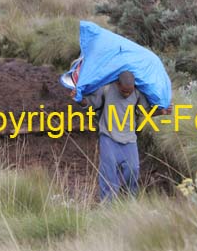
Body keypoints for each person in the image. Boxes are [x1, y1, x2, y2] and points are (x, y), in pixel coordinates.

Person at [70, 71, 171, 202]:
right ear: (118, 84)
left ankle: (130, 203)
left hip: (129, 138)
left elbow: (145, 112)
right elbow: (90, 103)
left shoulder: (137, 93)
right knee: (108, 173)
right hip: (108, 137)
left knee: (133, 170)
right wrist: (79, 99)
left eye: (129, 91)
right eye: (124, 91)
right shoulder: (106, 89)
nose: (127, 94)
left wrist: (162, 112)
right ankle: (107, 206)